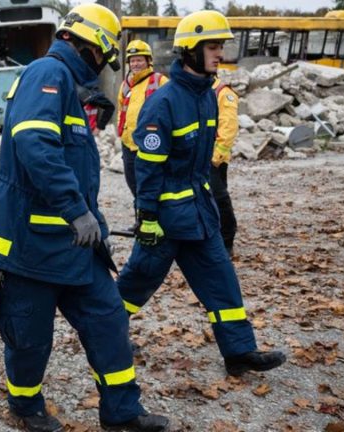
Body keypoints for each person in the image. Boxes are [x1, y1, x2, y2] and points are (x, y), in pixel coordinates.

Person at [0, 4, 170, 432]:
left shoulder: (69, 88)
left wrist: (94, 223)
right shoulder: (47, 73)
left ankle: (122, 411)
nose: (102, 68)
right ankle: (25, 407)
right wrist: (77, 212)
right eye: (104, 58)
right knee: (29, 339)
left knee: (109, 320)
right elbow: (36, 148)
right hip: (34, 249)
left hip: (76, 249)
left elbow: (77, 173)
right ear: (92, 46)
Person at [117, 10, 286, 377]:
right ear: (190, 50)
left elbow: (203, 164)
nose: (219, 53)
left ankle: (240, 352)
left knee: (222, 282)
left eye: (221, 46)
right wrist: (146, 217)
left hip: (199, 215)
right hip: (164, 222)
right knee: (135, 285)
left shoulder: (208, 96)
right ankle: (103, 336)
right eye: (212, 46)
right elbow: (148, 168)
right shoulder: (163, 103)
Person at [116, 39, 168, 199]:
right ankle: (140, 220)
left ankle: (153, 219)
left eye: (139, 60)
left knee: (151, 186)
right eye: (132, 61)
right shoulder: (125, 84)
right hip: (128, 145)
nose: (135, 64)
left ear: (148, 61)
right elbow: (120, 110)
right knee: (134, 186)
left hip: (150, 144)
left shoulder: (160, 81)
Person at [210, 77, 239, 255]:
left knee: (218, 197)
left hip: (213, 158)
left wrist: (215, 158)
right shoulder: (198, 92)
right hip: (199, 155)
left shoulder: (223, 92)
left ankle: (227, 238)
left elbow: (228, 128)